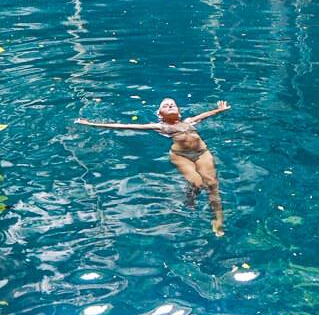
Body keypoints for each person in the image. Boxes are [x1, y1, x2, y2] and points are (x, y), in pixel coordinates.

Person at [76, 99, 230, 236]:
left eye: (173, 105)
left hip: (202, 153)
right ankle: (190, 197)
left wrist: (219, 110)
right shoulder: (159, 126)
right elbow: (124, 126)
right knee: (197, 183)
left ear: (179, 112)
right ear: (160, 114)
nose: (170, 105)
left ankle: (218, 220)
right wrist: (91, 124)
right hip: (181, 156)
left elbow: (205, 115)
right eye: (165, 105)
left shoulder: (189, 122)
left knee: (212, 185)